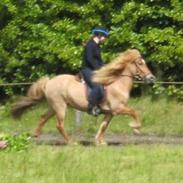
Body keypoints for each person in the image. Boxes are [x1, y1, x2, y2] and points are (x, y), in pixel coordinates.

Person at [81, 27, 109, 116]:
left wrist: (106, 67)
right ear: (100, 35)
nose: (105, 39)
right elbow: (90, 59)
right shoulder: (90, 45)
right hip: (87, 70)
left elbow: (99, 61)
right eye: (105, 36)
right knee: (97, 86)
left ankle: (99, 105)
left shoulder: (97, 46)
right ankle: (91, 107)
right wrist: (99, 69)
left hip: (95, 70)